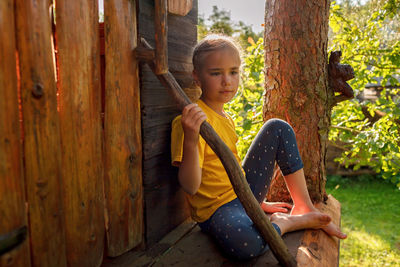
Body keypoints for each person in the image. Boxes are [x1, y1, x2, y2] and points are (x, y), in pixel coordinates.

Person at [171, 34, 346, 260]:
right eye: (216, 73)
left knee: (277, 127)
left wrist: (257, 202)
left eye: (233, 72)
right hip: (217, 211)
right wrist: (191, 138)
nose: (227, 81)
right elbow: (190, 186)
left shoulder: (226, 117)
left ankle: (303, 206)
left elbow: (230, 169)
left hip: (243, 192)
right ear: (197, 77)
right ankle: (284, 224)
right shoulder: (189, 124)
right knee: (247, 245)